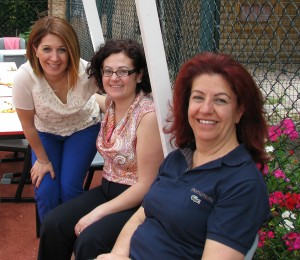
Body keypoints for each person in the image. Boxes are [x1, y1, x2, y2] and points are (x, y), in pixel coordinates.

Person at [97, 52, 270, 260]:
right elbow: (141, 216)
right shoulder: (178, 159)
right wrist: (117, 255)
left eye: (220, 100)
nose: (206, 109)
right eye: (198, 97)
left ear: (240, 111)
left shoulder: (243, 184)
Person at [37, 39, 164, 260]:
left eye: (123, 71)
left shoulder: (147, 116)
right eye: (108, 71)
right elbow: (80, 96)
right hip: (106, 189)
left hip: (137, 201)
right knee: (53, 224)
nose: (114, 78)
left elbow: (146, 185)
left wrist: (98, 212)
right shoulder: (112, 104)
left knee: (89, 240)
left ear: (139, 75)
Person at [12, 17, 101, 222]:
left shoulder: (86, 73)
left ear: (71, 49)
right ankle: (52, 244)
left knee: (70, 188)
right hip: (45, 132)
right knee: (46, 190)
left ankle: (75, 243)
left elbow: (114, 91)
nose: (55, 58)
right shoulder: (25, 78)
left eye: (62, 49)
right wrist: (42, 160)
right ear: (35, 49)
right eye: (47, 49)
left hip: (83, 128)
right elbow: (27, 124)